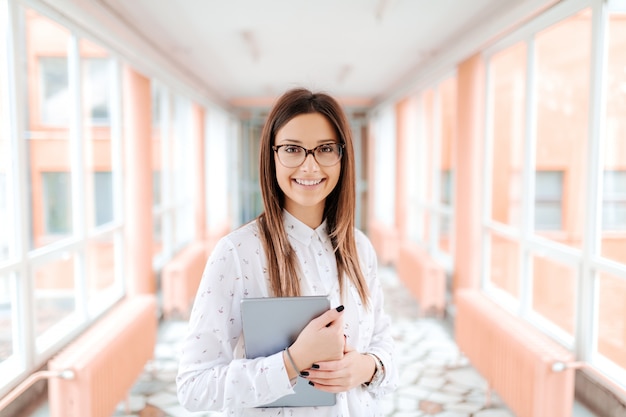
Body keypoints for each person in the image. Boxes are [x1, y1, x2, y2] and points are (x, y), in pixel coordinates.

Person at [176, 87, 397, 416]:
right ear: (272, 155)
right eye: (293, 149)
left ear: (342, 156)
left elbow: (383, 340)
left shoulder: (359, 247)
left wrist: (368, 367)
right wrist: (292, 362)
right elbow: (193, 388)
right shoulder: (237, 253)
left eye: (324, 149)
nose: (309, 166)